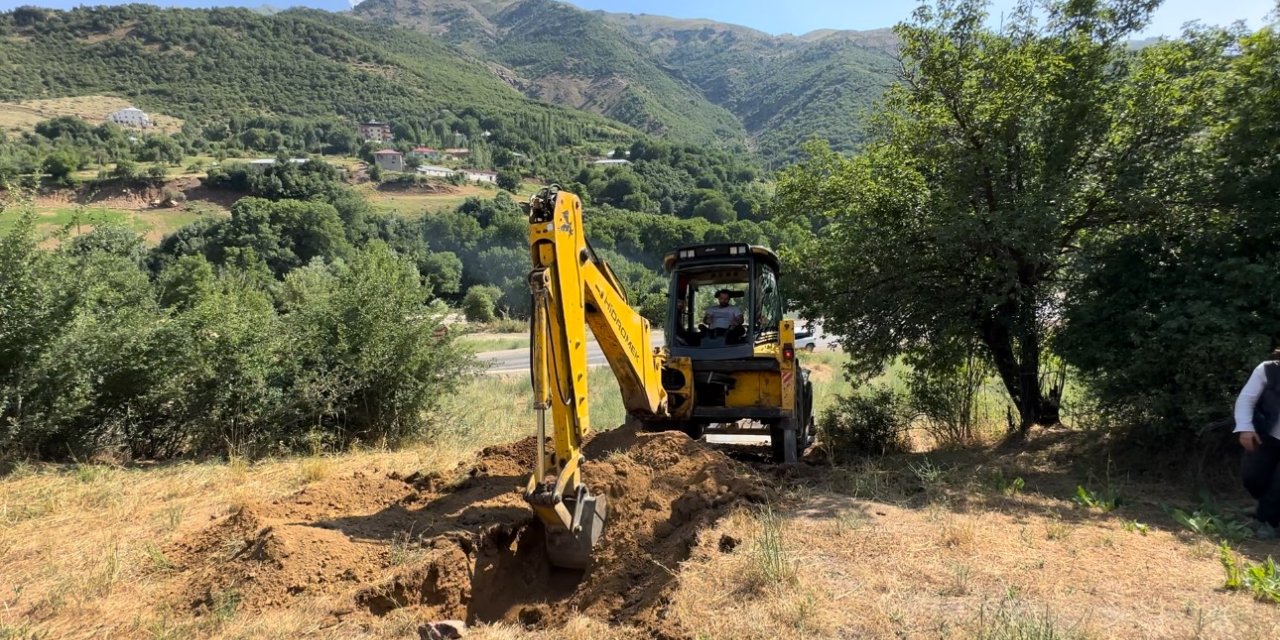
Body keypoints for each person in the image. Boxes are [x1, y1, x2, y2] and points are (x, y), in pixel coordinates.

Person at [1234, 349, 1280, 539]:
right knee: (1253, 477)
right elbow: (1246, 399)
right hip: (1267, 436)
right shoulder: (1267, 369)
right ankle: (1265, 507)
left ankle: (1267, 523)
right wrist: (1245, 428)